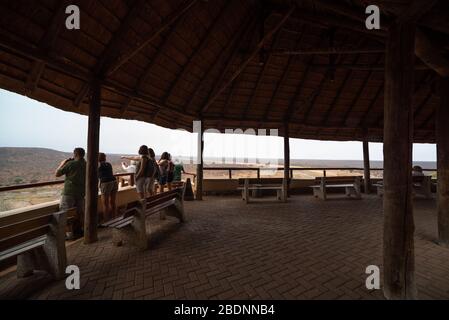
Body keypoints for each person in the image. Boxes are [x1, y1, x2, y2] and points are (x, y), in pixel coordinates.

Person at [55, 147, 86, 240]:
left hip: (69, 192)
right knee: (79, 213)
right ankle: (78, 232)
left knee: (64, 213)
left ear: (75, 154)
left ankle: (65, 234)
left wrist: (62, 163)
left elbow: (57, 174)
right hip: (81, 192)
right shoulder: (86, 164)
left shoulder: (71, 164)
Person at [98, 153, 118, 222]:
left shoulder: (98, 165)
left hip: (106, 183)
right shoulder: (108, 164)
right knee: (113, 202)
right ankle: (115, 217)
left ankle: (106, 220)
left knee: (105, 203)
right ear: (105, 158)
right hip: (114, 181)